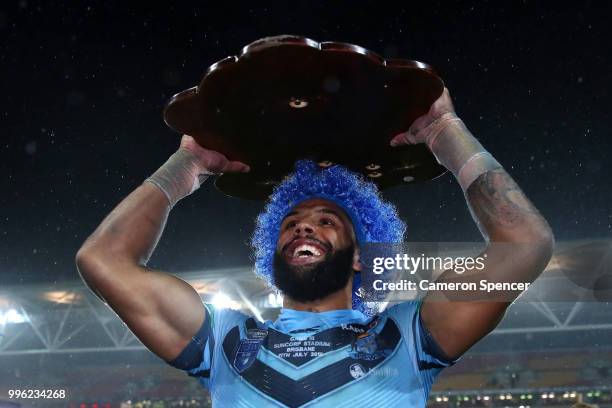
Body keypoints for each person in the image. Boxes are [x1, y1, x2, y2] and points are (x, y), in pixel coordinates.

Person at [75, 88, 554, 407]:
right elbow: (102, 261)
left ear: (363, 253)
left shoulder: (410, 336)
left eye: (327, 221)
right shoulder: (224, 342)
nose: (304, 229)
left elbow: (524, 245)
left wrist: (445, 133)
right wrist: (185, 167)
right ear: (272, 248)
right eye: (292, 223)